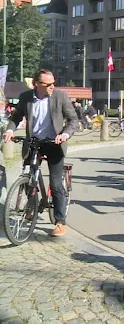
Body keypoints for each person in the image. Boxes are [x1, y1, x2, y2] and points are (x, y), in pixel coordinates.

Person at [3, 69, 78, 237]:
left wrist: (64, 134)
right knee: (29, 177)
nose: (52, 86)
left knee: (56, 183)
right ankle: (31, 207)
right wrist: (10, 130)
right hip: (34, 143)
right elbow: (16, 117)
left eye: (53, 83)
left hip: (54, 143)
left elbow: (73, 120)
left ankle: (60, 222)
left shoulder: (60, 97)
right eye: (48, 84)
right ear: (36, 84)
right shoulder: (26, 97)